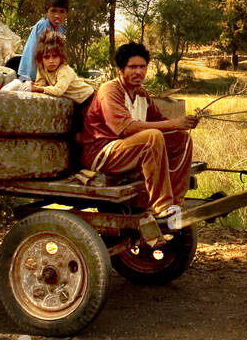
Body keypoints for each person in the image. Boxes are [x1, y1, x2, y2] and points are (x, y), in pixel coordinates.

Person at [80, 41, 199, 220]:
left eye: (142, 67)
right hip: (102, 154)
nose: (138, 72)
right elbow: (125, 128)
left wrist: (183, 124)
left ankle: (176, 202)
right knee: (152, 137)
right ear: (121, 69)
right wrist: (174, 123)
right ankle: (160, 206)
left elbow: (160, 121)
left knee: (181, 139)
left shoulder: (141, 94)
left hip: (127, 151)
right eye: (132, 67)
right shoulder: (110, 90)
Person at [31, 31, 95, 137]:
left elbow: (58, 90)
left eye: (55, 57)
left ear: (61, 57)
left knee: (84, 131)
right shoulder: (42, 68)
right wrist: (34, 86)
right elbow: (40, 84)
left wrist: (38, 89)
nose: (51, 61)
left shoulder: (64, 70)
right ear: (41, 59)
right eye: (46, 57)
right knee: (72, 130)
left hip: (88, 100)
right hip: (75, 102)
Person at [17, 0, 69, 82]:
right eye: (53, 11)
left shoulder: (61, 29)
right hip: (31, 73)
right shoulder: (44, 25)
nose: (57, 15)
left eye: (62, 11)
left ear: (66, 14)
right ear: (46, 12)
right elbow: (44, 53)